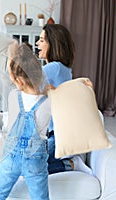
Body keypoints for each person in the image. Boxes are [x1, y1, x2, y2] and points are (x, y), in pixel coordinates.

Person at [0, 43, 51, 200]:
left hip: (10, 158)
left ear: (18, 81)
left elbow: (12, 74)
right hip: (35, 160)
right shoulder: (49, 102)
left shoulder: (13, 96)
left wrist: (14, 54)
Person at [36, 24, 93, 175]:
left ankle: (71, 165)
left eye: (42, 40)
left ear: (52, 44)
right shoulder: (63, 68)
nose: (37, 43)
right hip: (59, 132)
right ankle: (69, 163)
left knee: (29, 165)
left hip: (58, 134)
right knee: (30, 162)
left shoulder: (53, 67)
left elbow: (25, 85)